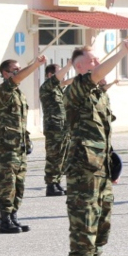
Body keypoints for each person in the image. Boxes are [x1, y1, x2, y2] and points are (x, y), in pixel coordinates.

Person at [65, 37, 128, 256]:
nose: (97, 63)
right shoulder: (75, 89)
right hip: (82, 170)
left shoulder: (100, 95)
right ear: (78, 67)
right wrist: (123, 53)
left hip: (101, 168)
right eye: (92, 60)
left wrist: (112, 163)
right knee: (84, 221)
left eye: (97, 59)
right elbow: (97, 74)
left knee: (102, 222)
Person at [0, 57, 44, 233]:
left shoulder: (18, 94)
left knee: (19, 184)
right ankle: (4, 220)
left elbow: (20, 122)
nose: (18, 71)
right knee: (7, 183)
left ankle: (14, 216)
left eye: (19, 68)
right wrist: (35, 65)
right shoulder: (2, 90)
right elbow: (17, 79)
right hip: (5, 146)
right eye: (14, 69)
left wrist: (26, 140)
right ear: (5, 73)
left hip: (19, 146)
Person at [39, 62, 75, 196]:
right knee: (53, 157)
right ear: (50, 75)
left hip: (63, 128)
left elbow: (67, 82)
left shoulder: (58, 88)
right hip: (54, 128)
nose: (63, 75)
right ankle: (50, 185)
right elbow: (61, 80)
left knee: (61, 157)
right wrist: (70, 64)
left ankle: (56, 183)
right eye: (60, 72)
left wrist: (85, 75)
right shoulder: (46, 87)